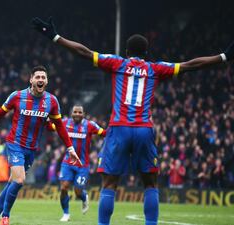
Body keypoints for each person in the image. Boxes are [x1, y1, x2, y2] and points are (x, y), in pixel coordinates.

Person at [32, 17, 234, 225]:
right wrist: (224, 56)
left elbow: (83, 52)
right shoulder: (155, 69)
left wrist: (55, 37)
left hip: (119, 128)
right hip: (144, 130)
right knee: (150, 184)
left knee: (109, 184)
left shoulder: (116, 63)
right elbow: (190, 65)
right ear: (146, 54)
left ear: (127, 53)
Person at [0, 65, 81, 225]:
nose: (41, 80)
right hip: (14, 143)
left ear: (47, 81)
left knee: (12, 182)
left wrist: (70, 148)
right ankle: (5, 217)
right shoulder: (17, 96)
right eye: (38, 77)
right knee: (20, 180)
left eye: (43, 77)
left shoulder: (52, 101)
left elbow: (59, 126)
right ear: (31, 79)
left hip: (32, 148)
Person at [46, 105, 106, 221]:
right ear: (71, 113)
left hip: (83, 165)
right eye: (75, 112)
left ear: (83, 114)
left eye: (80, 112)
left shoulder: (89, 125)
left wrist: (116, 128)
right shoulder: (64, 123)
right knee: (64, 188)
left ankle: (84, 198)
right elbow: (51, 127)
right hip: (68, 162)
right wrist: (47, 119)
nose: (77, 114)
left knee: (77, 191)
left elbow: (104, 133)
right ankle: (66, 214)